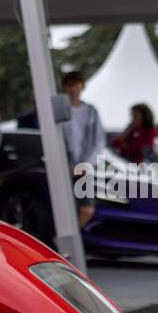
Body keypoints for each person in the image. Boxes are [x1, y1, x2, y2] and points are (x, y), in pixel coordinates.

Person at [59, 71, 104, 228]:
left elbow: (99, 142)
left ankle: (72, 238)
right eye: (69, 85)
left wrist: (86, 164)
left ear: (82, 86)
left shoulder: (91, 111)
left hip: (84, 168)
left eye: (75, 84)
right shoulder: (59, 111)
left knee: (87, 209)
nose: (72, 89)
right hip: (64, 168)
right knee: (65, 209)